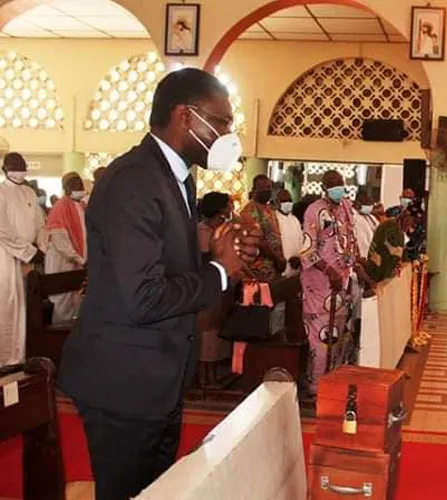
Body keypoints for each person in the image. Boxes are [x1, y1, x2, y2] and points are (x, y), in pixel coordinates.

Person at [58, 68, 259, 500]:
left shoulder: (174, 177)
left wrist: (216, 249)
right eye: (221, 122)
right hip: (125, 382)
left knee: (155, 492)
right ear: (186, 117)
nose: (228, 132)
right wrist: (220, 271)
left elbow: (164, 263)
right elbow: (144, 297)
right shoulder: (135, 180)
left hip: (156, 378)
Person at [300, 170, 357, 400]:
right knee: (319, 336)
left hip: (341, 283)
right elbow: (307, 250)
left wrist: (355, 265)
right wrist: (329, 270)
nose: (338, 188)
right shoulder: (314, 211)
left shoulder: (345, 208)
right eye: (333, 185)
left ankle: (332, 380)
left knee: (338, 335)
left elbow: (349, 241)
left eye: (340, 184)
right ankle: (316, 385)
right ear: (324, 187)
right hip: (319, 284)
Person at [0, 152, 45, 366]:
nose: (19, 169)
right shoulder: (0, 192)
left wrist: (40, 248)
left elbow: (40, 224)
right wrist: (27, 251)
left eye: (22, 165)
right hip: (6, 257)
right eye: (14, 166)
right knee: (7, 308)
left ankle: (20, 358)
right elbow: (3, 230)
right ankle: (4, 360)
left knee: (24, 309)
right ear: (5, 169)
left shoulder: (29, 193)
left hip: (28, 257)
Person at [196, 191, 233, 387]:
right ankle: (203, 378)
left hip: (222, 286)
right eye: (228, 205)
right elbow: (206, 259)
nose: (231, 209)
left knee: (215, 332)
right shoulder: (201, 231)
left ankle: (212, 374)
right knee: (205, 332)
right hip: (206, 285)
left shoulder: (224, 229)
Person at [44, 172, 87, 323]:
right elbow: (60, 241)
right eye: (74, 185)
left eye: (80, 185)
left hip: (77, 262)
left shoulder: (82, 206)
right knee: (61, 301)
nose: (79, 188)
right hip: (62, 262)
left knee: (74, 302)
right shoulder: (60, 207)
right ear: (66, 188)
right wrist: (79, 259)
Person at [239, 175, 285, 281]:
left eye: (269, 187)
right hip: (258, 269)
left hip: (274, 268)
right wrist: (277, 259)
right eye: (264, 188)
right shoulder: (248, 212)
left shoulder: (269, 209)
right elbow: (259, 242)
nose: (268, 191)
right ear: (255, 190)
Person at [365, 209, 417, 283]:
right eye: (409, 223)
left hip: (381, 266)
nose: (409, 227)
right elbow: (392, 252)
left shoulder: (398, 228)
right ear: (404, 217)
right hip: (377, 267)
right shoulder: (391, 227)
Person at [275, 189, 303, 277]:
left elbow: (301, 242)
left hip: (297, 267)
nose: (287, 203)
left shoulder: (295, 220)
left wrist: (299, 258)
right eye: (284, 201)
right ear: (277, 202)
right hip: (281, 268)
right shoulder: (274, 219)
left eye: (289, 200)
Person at [353, 190, 379, 259]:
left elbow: (379, 230)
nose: (370, 206)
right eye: (367, 203)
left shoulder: (371, 217)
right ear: (357, 204)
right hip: (364, 257)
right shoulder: (354, 218)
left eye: (371, 204)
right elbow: (363, 245)